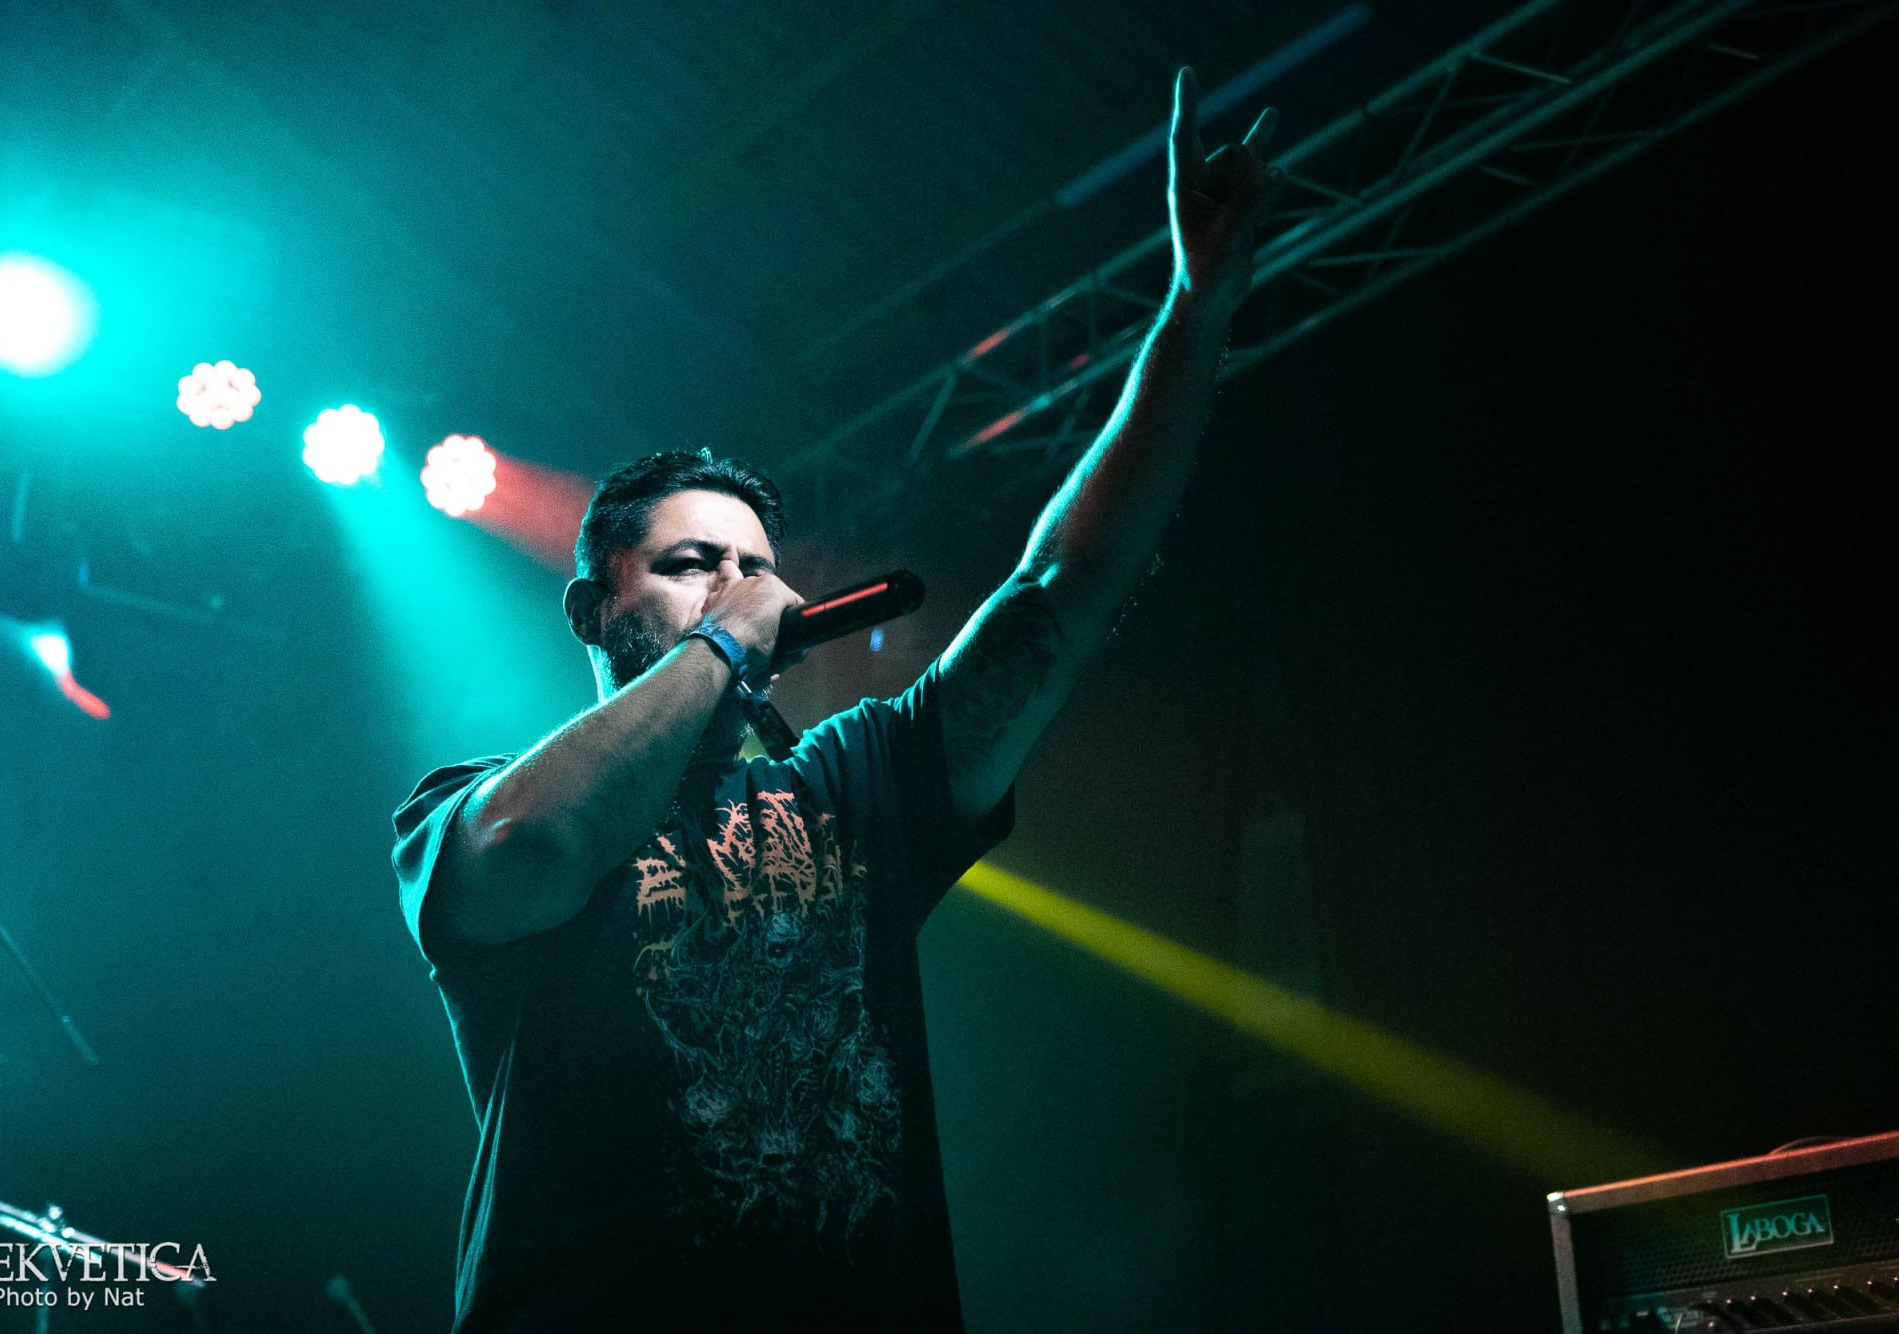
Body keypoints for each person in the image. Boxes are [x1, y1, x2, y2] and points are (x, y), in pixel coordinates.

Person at [394, 68, 1282, 1331]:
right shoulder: (463, 805)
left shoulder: (852, 784)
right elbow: (531, 852)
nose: (740, 584)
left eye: (757, 565)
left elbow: (1056, 597)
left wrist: (1194, 309)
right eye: (692, 562)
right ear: (593, 610)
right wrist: (725, 644)